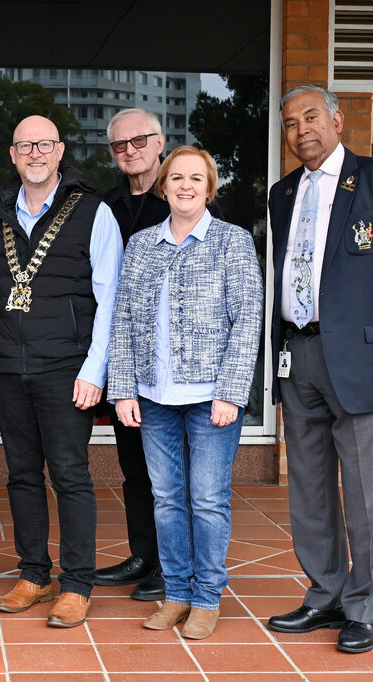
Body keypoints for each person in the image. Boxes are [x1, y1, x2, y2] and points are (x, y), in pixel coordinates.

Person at [266, 84, 373, 653]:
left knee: (365, 493)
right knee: (308, 488)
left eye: (311, 117)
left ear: (337, 121)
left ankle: (365, 606)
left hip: (359, 359)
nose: (301, 129)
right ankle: (325, 595)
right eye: (290, 123)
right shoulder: (282, 192)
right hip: (299, 354)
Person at [109, 146, 262, 640]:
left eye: (197, 178)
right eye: (177, 177)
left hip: (211, 397)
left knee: (208, 498)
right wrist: (124, 389)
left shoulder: (232, 243)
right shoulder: (142, 245)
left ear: (210, 187)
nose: (186, 186)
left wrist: (231, 392)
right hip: (153, 397)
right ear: (164, 184)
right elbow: (123, 322)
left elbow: (247, 323)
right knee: (167, 498)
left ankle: (207, 597)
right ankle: (176, 592)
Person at [0, 115, 122, 628]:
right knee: (21, 475)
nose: (34, 153)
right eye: (25, 146)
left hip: (69, 368)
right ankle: (34, 574)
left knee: (70, 475)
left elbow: (110, 298)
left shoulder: (93, 211)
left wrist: (95, 369)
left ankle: (78, 582)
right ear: (14, 155)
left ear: (60, 151)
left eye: (44, 144)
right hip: (10, 367)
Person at [95, 108, 216, 600]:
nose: (130, 150)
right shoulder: (106, 208)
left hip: (186, 368)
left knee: (181, 476)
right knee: (134, 466)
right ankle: (146, 555)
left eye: (139, 140)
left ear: (160, 141)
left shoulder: (187, 204)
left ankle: (176, 569)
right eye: (120, 145)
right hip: (133, 364)